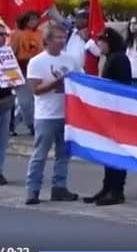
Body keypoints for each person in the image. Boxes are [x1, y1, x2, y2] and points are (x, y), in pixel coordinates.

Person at [24, 23, 81, 205]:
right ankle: (32, 189)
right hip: (46, 115)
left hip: (66, 114)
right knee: (40, 154)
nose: (62, 41)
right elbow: (36, 90)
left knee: (63, 155)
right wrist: (56, 84)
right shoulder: (37, 62)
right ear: (47, 40)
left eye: (63, 37)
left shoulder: (70, 60)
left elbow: (80, 80)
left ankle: (59, 188)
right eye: (58, 37)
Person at [83, 28, 132, 206]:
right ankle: (107, 187)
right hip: (110, 111)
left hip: (117, 112)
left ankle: (117, 190)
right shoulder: (111, 58)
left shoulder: (118, 59)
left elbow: (120, 86)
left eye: (101, 42)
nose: (98, 45)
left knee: (116, 152)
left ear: (109, 42)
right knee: (108, 152)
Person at [11, 10, 42, 136]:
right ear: (25, 20)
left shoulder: (41, 34)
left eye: (36, 19)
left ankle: (12, 124)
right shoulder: (17, 35)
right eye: (31, 19)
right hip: (22, 70)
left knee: (34, 101)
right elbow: (11, 54)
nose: (34, 22)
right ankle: (32, 125)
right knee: (25, 102)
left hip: (38, 70)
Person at [63, 9, 100, 75]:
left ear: (87, 20)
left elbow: (97, 52)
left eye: (80, 18)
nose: (76, 20)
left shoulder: (92, 35)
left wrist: (87, 40)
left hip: (84, 74)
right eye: (76, 17)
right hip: (69, 72)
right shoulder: (70, 33)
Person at [0, 22, 13, 185]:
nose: (3, 38)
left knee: (2, 140)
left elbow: (13, 77)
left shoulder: (8, 54)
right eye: (0, 34)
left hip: (5, 101)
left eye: (5, 34)